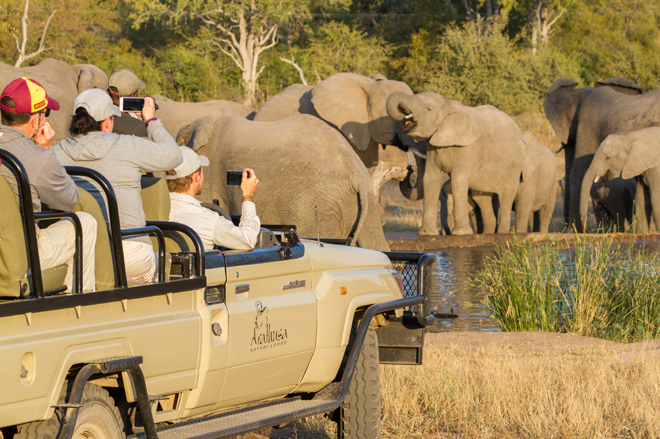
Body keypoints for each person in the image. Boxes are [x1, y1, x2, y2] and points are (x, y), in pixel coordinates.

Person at [53, 89, 183, 285]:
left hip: (82, 251)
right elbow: (175, 156)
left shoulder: (56, 153)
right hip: (128, 252)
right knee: (167, 268)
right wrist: (150, 121)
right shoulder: (128, 145)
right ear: (107, 122)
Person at [0, 77, 97, 292]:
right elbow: (69, 199)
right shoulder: (37, 158)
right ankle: (79, 302)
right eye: (46, 113)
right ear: (36, 120)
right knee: (85, 222)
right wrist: (45, 150)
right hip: (19, 255)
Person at [166, 147, 260, 251]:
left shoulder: (150, 214)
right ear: (196, 177)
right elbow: (248, 240)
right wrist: (247, 196)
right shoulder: (209, 220)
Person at [106, 69, 148, 137]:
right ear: (134, 95)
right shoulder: (138, 127)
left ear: (107, 93)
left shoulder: (94, 120)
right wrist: (149, 121)